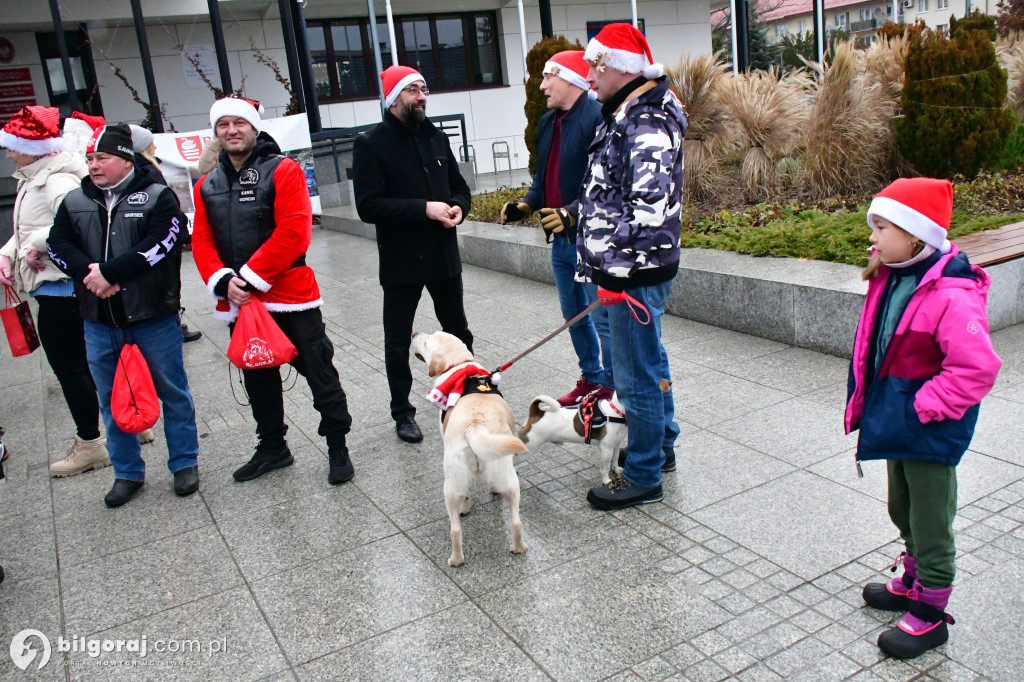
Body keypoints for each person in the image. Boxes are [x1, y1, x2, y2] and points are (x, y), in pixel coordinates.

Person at [846, 178, 1001, 659]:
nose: (872, 237)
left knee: (932, 519)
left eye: (882, 227)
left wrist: (925, 407)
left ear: (915, 235)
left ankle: (932, 614)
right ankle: (912, 578)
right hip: (898, 417)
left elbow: (977, 367)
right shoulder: (893, 274)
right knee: (902, 506)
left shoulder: (952, 294)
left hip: (927, 425)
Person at [191, 95, 354, 485]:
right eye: (223, 124)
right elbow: (201, 242)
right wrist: (223, 282)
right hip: (240, 303)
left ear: (254, 127)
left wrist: (247, 277)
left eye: (239, 123)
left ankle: (337, 447)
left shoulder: (283, 170)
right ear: (216, 131)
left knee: (320, 373)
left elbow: (294, 231)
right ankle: (272, 448)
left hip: (291, 297)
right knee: (258, 377)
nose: (232, 130)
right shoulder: (205, 185)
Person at [46, 123, 200, 507]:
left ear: (126, 160)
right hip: (99, 320)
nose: (94, 166)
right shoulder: (75, 200)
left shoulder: (157, 196)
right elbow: (57, 243)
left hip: (153, 317)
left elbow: (165, 241)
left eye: (103, 158)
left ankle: (184, 463)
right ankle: (127, 472)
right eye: (90, 158)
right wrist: (90, 273)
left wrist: (112, 272)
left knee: (173, 393)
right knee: (110, 398)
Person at [572, 23, 685, 511]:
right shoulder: (624, 112)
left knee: (635, 375)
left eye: (594, 65)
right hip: (626, 270)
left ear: (620, 67)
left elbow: (650, 208)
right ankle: (659, 446)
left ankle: (642, 474)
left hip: (633, 273)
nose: (588, 74)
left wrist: (620, 274)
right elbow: (610, 192)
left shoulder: (644, 121)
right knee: (647, 364)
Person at [352, 65, 474, 444]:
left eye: (423, 89)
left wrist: (457, 207)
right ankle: (402, 412)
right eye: (412, 91)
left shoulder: (437, 137)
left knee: (459, 330)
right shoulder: (370, 143)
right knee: (397, 340)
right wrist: (424, 209)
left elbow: (459, 187)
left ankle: (468, 390)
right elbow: (368, 206)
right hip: (402, 261)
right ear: (393, 99)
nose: (421, 97)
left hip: (442, 256)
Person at [0, 106, 110, 477]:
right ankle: (126, 424)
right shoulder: (36, 177)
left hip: (61, 289)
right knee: (90, 364)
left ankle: (91, 444)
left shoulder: (55, 181)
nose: (8, 152)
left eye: (12, 146)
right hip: (58, 286)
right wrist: (9, 251)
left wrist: (35, 242)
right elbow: (30, 226)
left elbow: (80, 223)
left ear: (31, 145)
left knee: (71, 368)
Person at [499, 51, 611, 407]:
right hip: (561, 243)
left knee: (603, 319)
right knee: (573, 317)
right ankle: (592, 379)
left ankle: (611, 388)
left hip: (590, 242)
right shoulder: (549, 122)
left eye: (550, 76)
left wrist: (573, 213)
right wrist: (526, 205)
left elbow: (605, 184)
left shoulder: (598, 118)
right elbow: (541, 179)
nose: (542, 84)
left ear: (572, 79)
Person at [129, 124, 202, 344]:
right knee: (167, 284)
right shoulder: (148, 171)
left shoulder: (140, 169)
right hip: (162, 238)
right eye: (151, 142)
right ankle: (172, 327)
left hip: (155, 236)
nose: (155, 145)